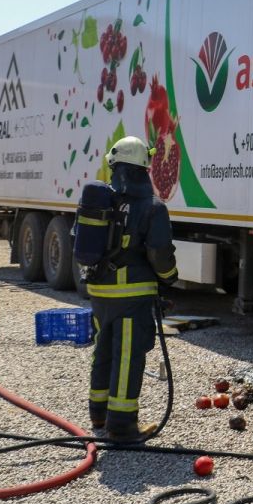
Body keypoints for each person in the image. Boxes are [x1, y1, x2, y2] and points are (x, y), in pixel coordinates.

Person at [86, 135, 178, 441]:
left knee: (104, 350)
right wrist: (170, 277)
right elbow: (160, 254)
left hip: (99, 292)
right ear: (144, 167)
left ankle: (98, 415)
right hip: (132, 295)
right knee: (128, 355)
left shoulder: (101, 202)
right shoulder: (152, 207)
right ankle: (122, 426)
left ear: (114, 166)